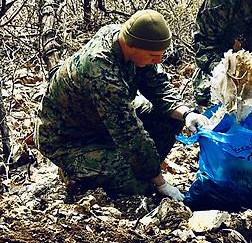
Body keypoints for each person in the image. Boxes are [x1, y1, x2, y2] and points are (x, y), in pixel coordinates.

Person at [36, 10, 208, 200]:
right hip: (69, 138)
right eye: (153, 55)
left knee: (169, 117)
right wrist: (159, 182)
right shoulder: (100, 70)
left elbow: (158, 86)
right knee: (141, 185)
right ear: (132, 46)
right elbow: (128, 132)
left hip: (101, 121)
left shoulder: (126, 38)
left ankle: (137, 164)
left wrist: (187, 114)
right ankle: (76, 171)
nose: (158, 60)